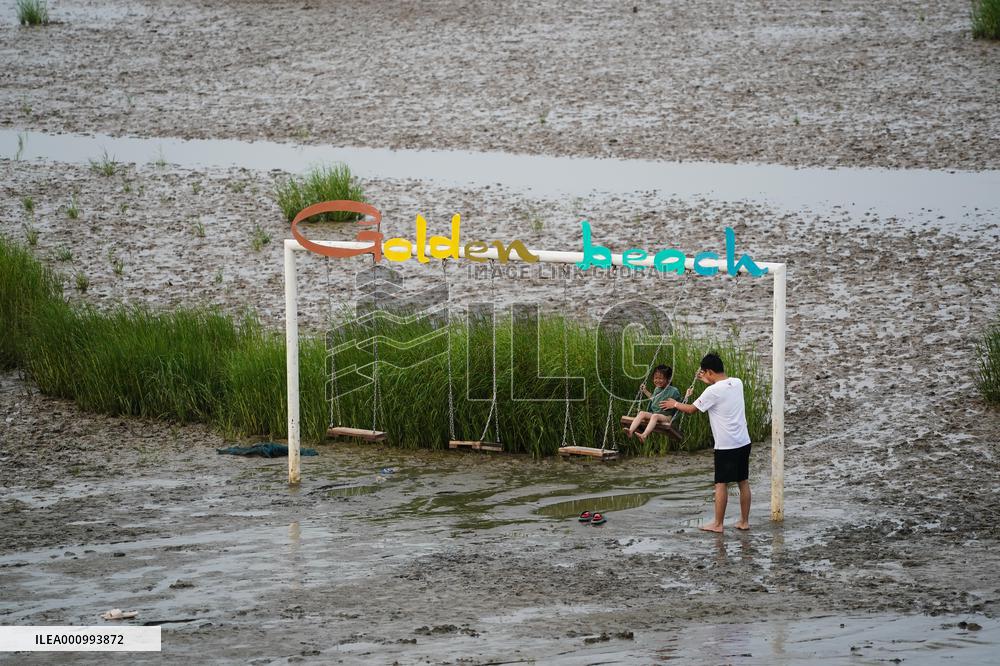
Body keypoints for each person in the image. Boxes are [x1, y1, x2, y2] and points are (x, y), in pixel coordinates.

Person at [660, 352, 752, 532]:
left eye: (705, 373)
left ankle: (718, 524)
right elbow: (718, 390)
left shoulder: (712, 391)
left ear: (709, 371)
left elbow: (692, 409)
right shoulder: (737, 382)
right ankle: (744, 521)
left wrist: (675, 404)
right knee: (743, 481)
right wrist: (708, 381)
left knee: (721, 484)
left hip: (726, 445)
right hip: (743, 441)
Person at [626, 365, 681, 443]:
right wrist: (645, 391)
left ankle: (644, 435)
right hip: (655, 414)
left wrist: (685, 397)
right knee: (642, 413)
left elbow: (679, 403)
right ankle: (630, 431)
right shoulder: (657, 389)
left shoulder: (673, 391)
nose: (657, 380)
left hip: (666, 417)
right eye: (656, 378)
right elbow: (654, 399)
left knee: (655, 416)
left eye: (660, 378)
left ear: (668, 379)